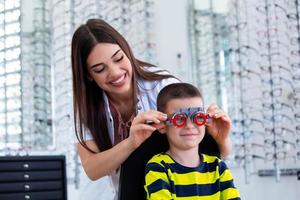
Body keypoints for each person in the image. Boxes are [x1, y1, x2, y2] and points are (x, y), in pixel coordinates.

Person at [71, 18, 232, 200]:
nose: (115, 72)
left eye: (118, 58)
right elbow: (92, 169)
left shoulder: (165, 87)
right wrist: (131, 143)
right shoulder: (87, 108)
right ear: (88, 75)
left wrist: (223, 140)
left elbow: (205, 151)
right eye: (100, 69)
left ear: (127, 51)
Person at [145, 82, 240, 200]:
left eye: (198, 117)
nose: (190, 126)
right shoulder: (158, 167)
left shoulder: (218, 167)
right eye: (179, 119)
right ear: (162, 125)